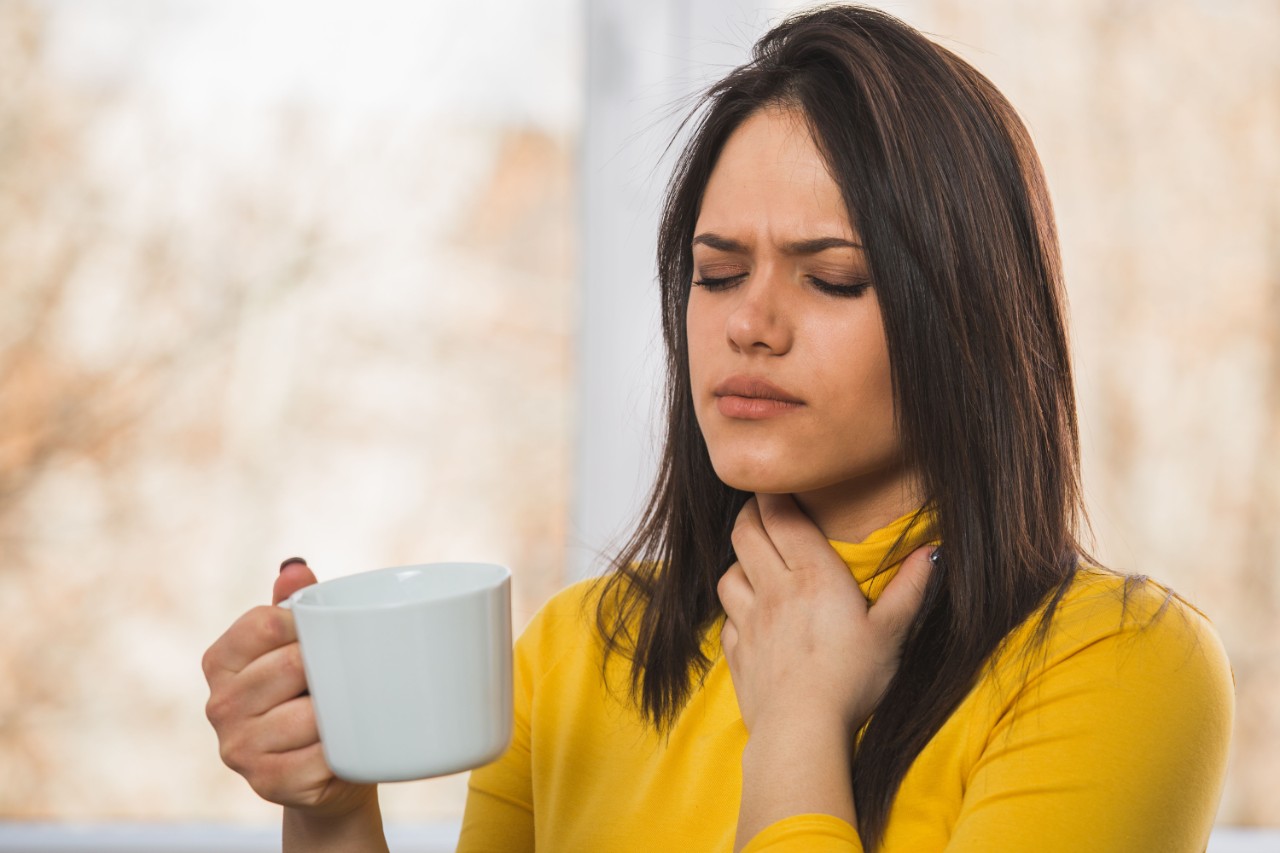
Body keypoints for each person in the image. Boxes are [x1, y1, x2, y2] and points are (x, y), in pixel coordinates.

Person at [202, 5, 1234, 851]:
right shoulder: (572, 654)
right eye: (716, 272)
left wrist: (795, 725)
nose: (748, 323)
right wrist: (330, 814)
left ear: (962, 318)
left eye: (830, 278)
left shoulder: (1122, 666)